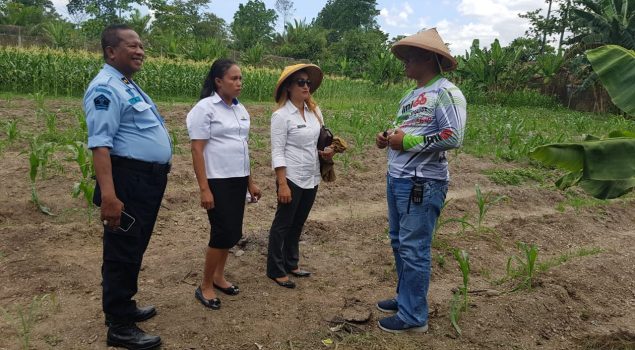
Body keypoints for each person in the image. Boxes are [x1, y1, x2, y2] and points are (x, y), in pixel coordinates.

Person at [374, 28, 467, 333]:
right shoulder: (411, 95)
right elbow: (403, 129)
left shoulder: (447, 93)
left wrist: (408, 142)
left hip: (422, 183)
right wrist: (388, 138)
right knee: (400, 243)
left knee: (414, 248)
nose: (405, 63)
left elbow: (453, 136)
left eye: (410, 57)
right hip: (398, 179)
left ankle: (414, 317)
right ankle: (406, 299)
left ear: (427, 57)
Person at [84, 24, 171, 349]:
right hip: (127, 181)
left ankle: (125, 305)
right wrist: (109, 195)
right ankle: (119, 326)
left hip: (144, 181)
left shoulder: (126, 85)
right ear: (111, 51)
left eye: (141, 45)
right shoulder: (105, 88)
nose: (140, 51)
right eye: (132, 46)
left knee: (134, 246)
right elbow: (101, 146)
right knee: (122, 250)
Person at [186, 59, 261, 309]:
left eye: (240, 79)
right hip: (217, 180)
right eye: (234, 78)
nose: (239, 83)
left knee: (232, 233)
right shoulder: (205, 108)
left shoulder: (241, 110)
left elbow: (243, 148)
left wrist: (250, 182)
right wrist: (204, 188)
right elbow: (197, 151)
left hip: (237, 179)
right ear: (219, 81)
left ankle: (219, 277)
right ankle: (205, 285)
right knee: (221, 234)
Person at [266, 64, 334, 289]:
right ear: (288, 87)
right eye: (301, 82)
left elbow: (319, 141)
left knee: (298, 223)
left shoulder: (315, 112)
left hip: (312, 175)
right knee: (283, 223)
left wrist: (327, 150)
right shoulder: (281, 116)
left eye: (308, 82)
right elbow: (277, 151)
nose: (306, 86)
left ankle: (291, 262)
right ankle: (275, 269)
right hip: (292, 176)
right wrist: (282, 183)